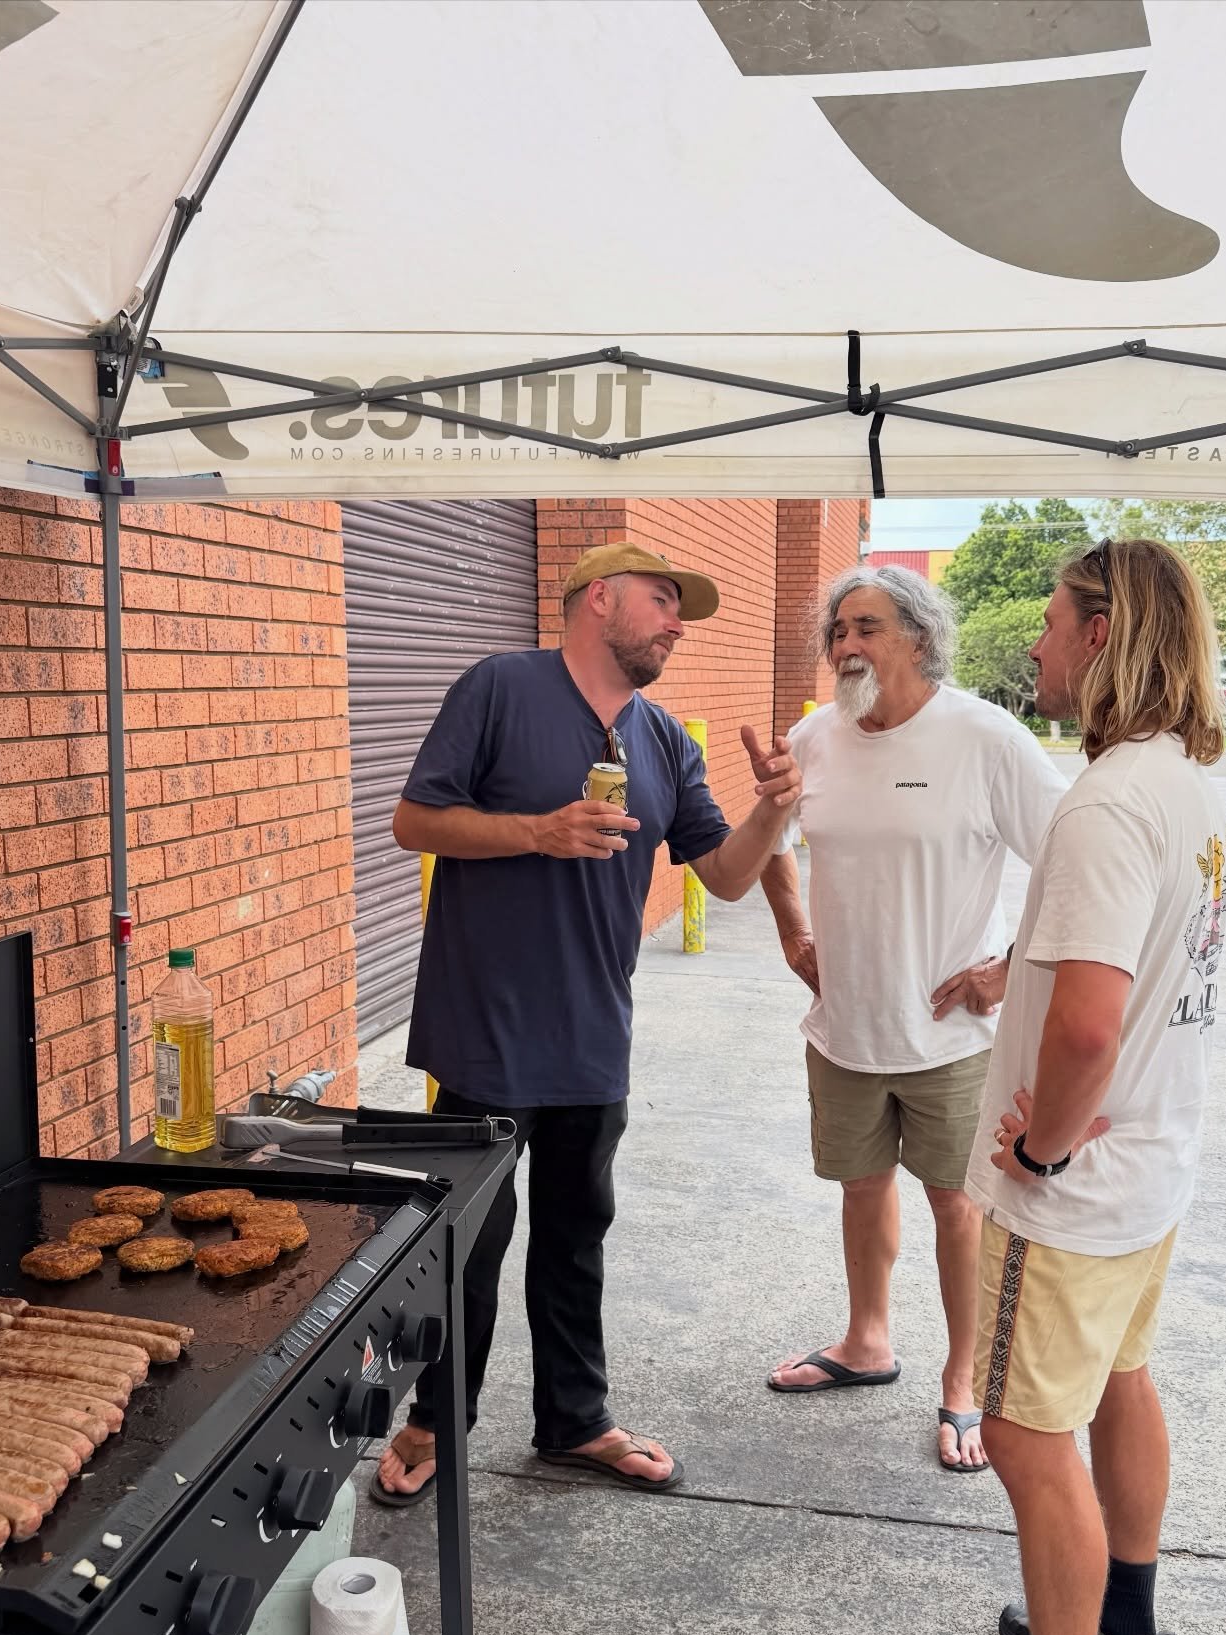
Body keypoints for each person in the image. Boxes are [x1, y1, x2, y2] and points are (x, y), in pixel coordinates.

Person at [373, 541, 802, 1507]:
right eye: (662, 599)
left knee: (575, 1236)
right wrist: (537, 829)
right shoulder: (498, 687)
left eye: (680, 608)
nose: (677, 622)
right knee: (468, 1241)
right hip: (482, 1027)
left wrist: (775, 813)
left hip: (593, 1034)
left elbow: (724, 874)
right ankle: (440, 1418)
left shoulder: (662, 741)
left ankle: (575, 1419)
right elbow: (414, 820)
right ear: (597, 598)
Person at [925, 538, 1226, 1635]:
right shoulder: (1194, 786)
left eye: (1052, 626)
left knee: (1023, 1433)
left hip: (1079, 1191)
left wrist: (1038, 1152)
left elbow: (1096, 1021)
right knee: (1122, 1381)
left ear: (1108, 636)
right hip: (1155, 1169)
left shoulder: (1105, 802)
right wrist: (1013, 989)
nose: (1037, 649)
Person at [761, 564, 1065, 1470]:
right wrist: (793, 930)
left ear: (922, 637)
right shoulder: (814, 738)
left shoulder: (984, 736)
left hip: (950, 1036)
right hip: (845, 1026)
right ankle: (867, 1341)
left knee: (957, 1204)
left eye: (868, 628)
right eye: (838, 631)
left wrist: (1006, 972)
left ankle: (963, 1381)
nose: (846, 646)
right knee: (861, 1188)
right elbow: (773, 843)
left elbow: (1073, 860)